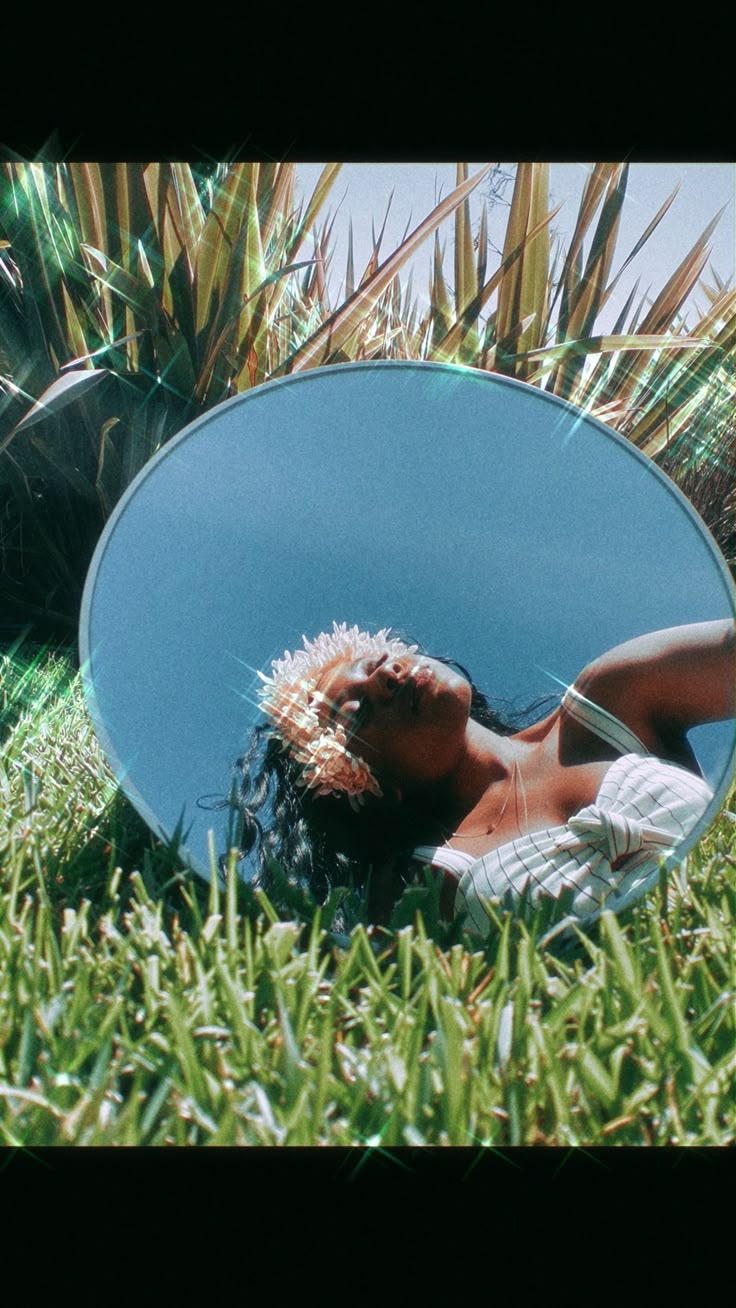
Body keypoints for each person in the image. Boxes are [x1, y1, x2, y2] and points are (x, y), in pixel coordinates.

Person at [226, 619, 735, 939]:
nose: (385, 677)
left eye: (375, 660)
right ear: (363, 784)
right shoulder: (419, 887)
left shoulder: (614, 695)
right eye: (356, 714)